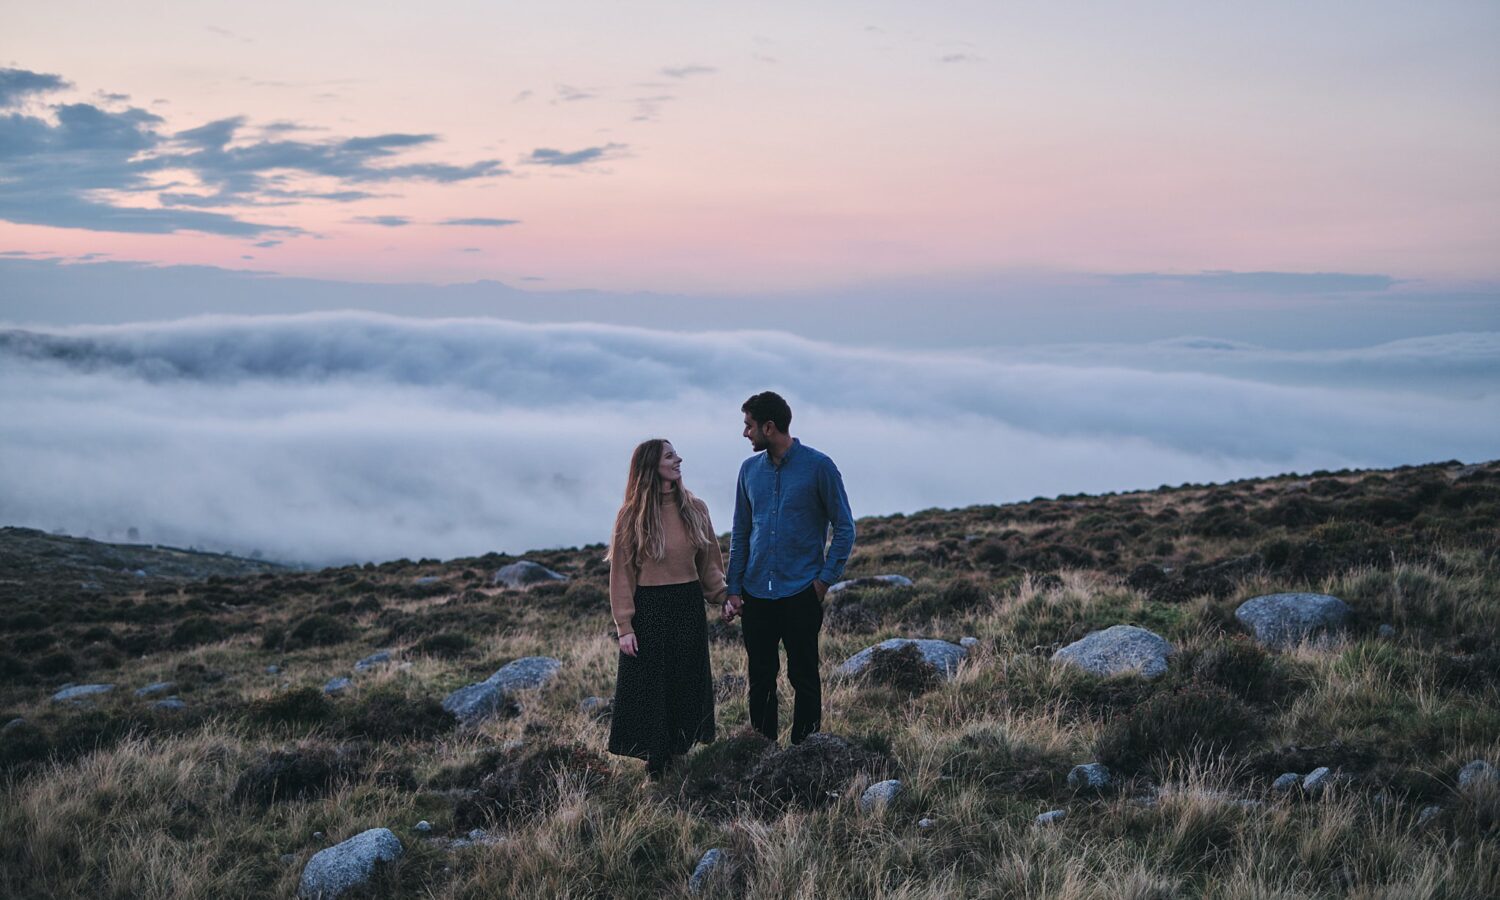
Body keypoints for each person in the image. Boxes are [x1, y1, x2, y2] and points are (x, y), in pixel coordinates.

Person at [723, 391, 855, 745]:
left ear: (770, 427)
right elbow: (741, 531)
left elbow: (845, 528)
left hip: (801, 592)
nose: (745, 434)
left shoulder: (819, 467)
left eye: (749, 426)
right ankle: (763, 751)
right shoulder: (748, 470)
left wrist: (824, 581)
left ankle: (806, 751)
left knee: (804, 677)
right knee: (761, 678)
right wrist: (733, 588)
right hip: (755, 594)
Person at [605, 438, 726, 779]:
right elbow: (622, 574)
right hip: (650, 608)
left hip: (687, 604)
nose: (678, 460)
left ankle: (679, 753)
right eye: (670, 456)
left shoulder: (695, 508)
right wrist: (624, 627)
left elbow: (710, 563)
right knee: (652, 686)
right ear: (650, 465)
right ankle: (655, 764)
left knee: (686, 682)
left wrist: (724, 597)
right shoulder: (631, 516)